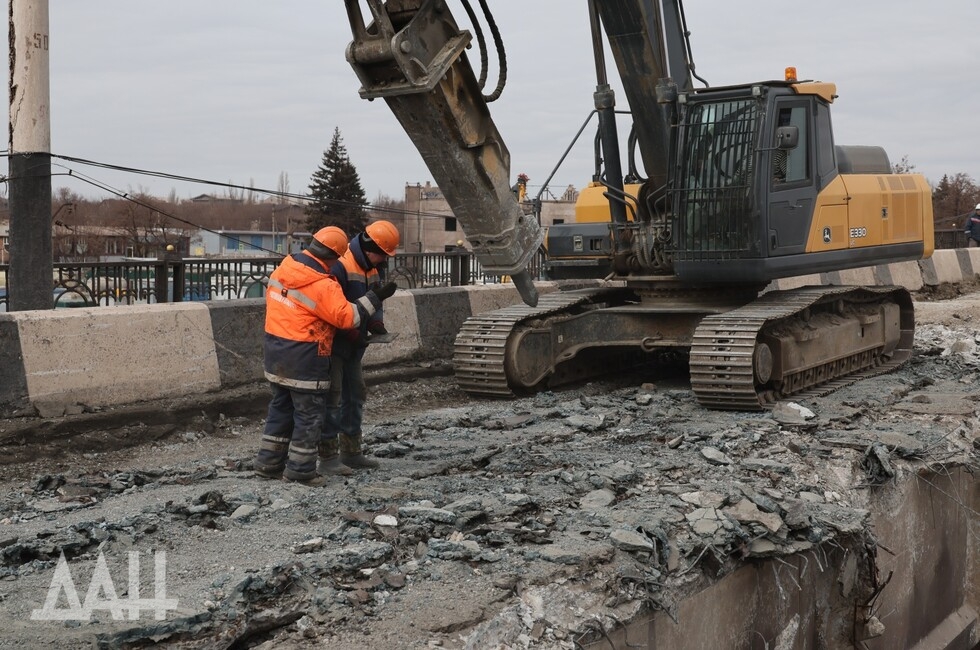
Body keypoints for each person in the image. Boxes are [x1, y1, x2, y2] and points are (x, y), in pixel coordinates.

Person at [253, 226, 398, 485]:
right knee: (310, 414)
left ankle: (268, 463)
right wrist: (374, 298)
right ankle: (300, 470)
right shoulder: (322, 284)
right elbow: (347, 317)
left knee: (280, 409)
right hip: (306, 355)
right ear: (333, 256)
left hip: (276, 351)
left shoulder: (284, 269)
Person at [319, 220, 401, 475]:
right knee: (332, 399)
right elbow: (332, 309)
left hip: (355, 345)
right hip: (335, 344)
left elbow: (376, 299)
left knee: (355, 395)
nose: (384, 261)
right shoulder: (341, 266)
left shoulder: (372, 268)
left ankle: (352, 452)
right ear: (369, 247)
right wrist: (351, 333)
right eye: (383, 254)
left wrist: (376, 323)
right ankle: (328, 458)